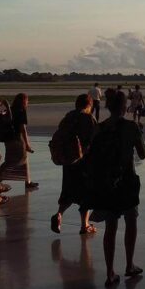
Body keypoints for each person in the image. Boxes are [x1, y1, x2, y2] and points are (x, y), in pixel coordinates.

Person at [87, 91, 145, 286]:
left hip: (107, 182)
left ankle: (110, 271)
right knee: (131, 221)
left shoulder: (100, 128)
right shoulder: (131, 126)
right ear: (124, 107)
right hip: (127, 180)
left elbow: (92, 155)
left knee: (111, 227)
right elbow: (143, 154)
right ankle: (129, 264)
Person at [52, 94, 98, 235]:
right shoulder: (89, 119)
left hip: (68, 160)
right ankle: (84, 225)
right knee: (85, 194)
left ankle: (59, 214)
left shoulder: (68, 117)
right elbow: (94, 140)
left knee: (68, 190)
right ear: (89, 105)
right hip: (84, 161)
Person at [0, 93, 38, 190]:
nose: (28, 102)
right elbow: (22, 129)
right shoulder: (21, 110)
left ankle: (27, 181)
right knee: (15, 160)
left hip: (8, 138)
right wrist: (27, 144)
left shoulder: (10, 109)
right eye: (27, 100)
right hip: (16, 138)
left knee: (23, 159)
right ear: (24, 101)